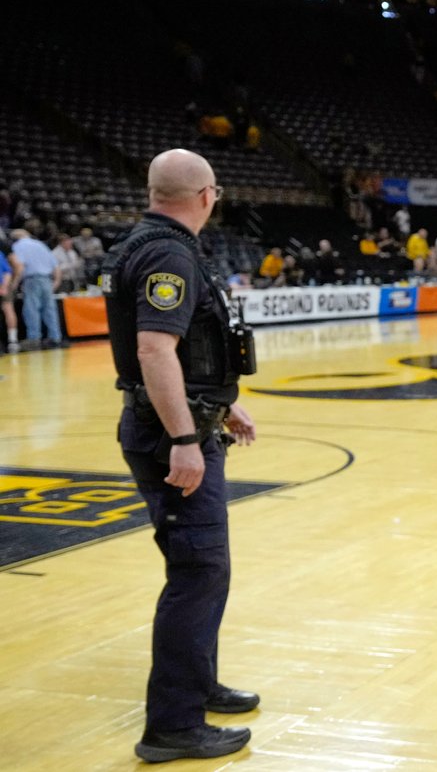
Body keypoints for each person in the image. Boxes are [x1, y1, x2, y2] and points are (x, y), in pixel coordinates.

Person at [100, 149, 259, 763]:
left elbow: (183, 351)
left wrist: (222, 404)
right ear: (206, 194)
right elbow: (153, 351)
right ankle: (172, 727)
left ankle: (198, 684)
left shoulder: (142, 243)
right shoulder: (169, 253)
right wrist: (188, 438)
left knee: (202, 570)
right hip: (171, 438)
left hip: (174, 421)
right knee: (197, 573)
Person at [10, 227, 63, 349]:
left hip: (32, 279)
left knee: (31, 309)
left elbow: (20, 266)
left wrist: (15, 283)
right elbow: (56, 266)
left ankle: (34, 338)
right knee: (50, 310)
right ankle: (55, 337)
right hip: (47, 279)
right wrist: (56, 282)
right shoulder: (41, 245)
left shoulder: (18, 246)